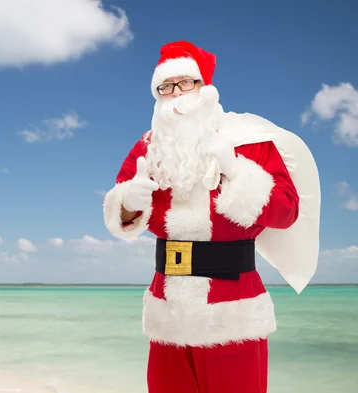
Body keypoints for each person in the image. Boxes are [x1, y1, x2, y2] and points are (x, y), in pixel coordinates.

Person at [102, 41, 321, 393]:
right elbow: (121, 216)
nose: (177, 94)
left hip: (232, 313)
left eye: (186, 83)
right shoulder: (148, 147)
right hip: (168, 313)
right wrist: (128, 201)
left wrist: (238, 171)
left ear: (205, 87)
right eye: (166, 87)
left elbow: (287, 211)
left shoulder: (249, 141)